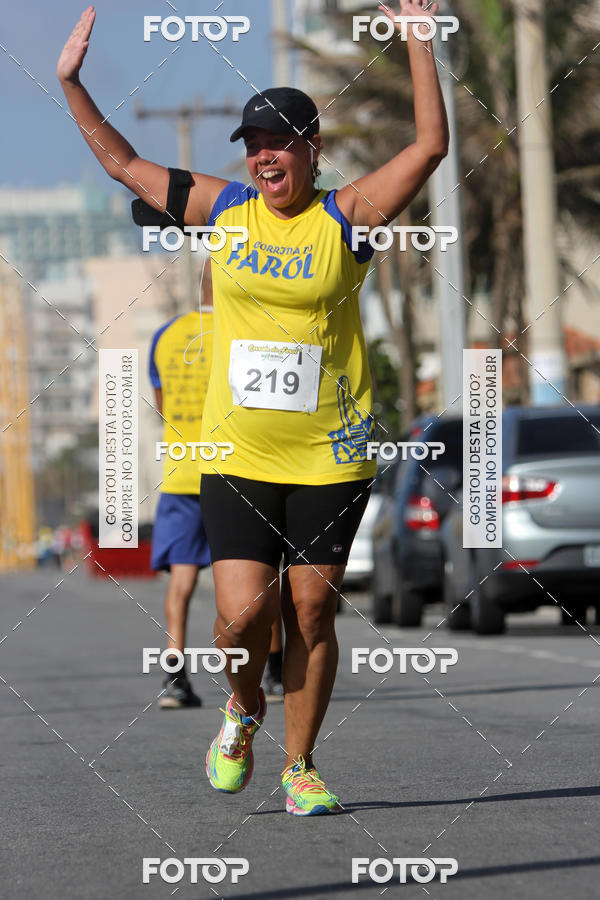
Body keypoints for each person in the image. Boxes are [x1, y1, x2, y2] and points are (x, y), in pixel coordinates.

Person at [58, 0, 448, 814]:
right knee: (239, 621)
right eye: (254, 144)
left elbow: (429, 147)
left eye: (280, 142)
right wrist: (71, 84)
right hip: (236, 455)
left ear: (313, 149)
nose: (265, 155)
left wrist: (418, 42)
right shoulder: (226, 211)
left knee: (312, 610)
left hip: (331, 454)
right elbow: (124, 165)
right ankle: (241, 709)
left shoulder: (346, 218)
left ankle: (300, 766)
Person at [148, 278, 214, 709]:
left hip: (180, 471)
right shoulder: (244, 328)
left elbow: (162, 406)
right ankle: (273, 674)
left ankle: (175, 677)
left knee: (182, 580)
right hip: (235, 471)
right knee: (257, 575)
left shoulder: (166, 334)